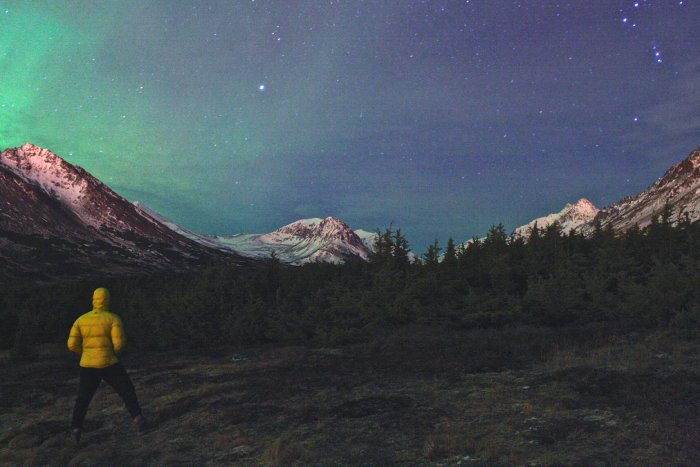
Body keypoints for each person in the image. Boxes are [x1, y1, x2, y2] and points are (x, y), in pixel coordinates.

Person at [67, 287, 145, 443]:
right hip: (109, 363)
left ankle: (76, 428)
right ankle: (137, 418)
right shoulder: (113, 319)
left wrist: (84, 353)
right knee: (126, 389)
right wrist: (112, 352)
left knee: (83, 398)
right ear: (107, 300)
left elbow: (71, 344)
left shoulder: (81, 320)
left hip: (87, 365)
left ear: (93, 300)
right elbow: (119, 344)